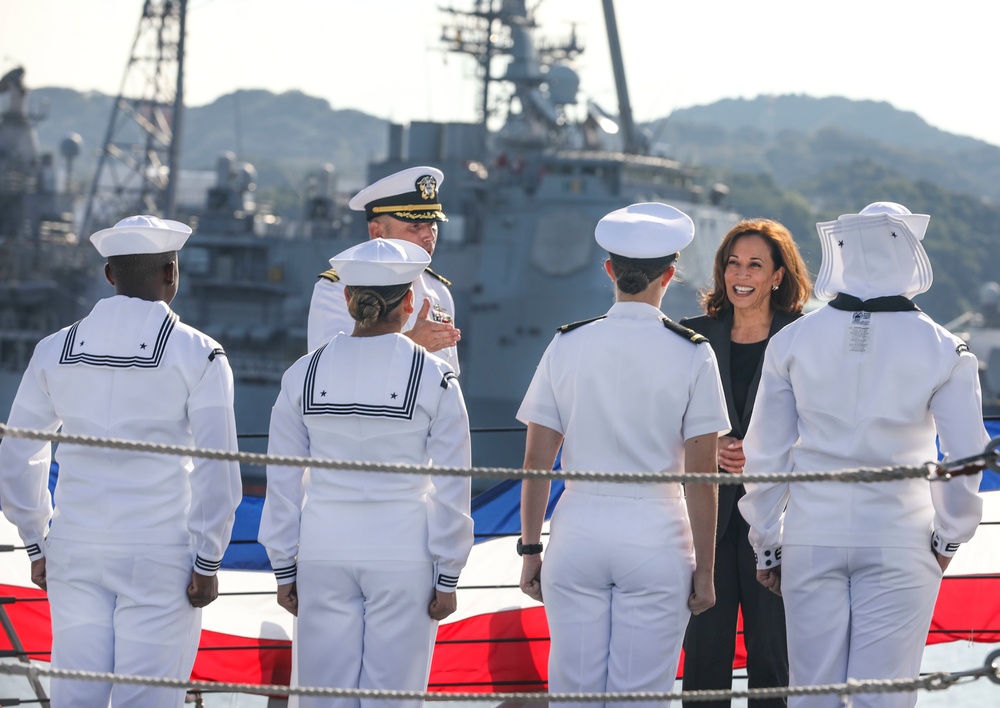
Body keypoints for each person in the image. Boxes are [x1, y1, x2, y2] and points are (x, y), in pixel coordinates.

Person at [738, 202, 989, 708]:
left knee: (812, 696)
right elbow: (966, 458)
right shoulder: (945, 349)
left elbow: (764, 454)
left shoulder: (792, 341)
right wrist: (948, 539)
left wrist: (766, 543)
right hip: (902, 537)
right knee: (885, 700)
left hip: (811, 536)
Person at [0, 215, 243, 707]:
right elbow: (218, 467)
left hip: (74, 549)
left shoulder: (53, 350)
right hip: (160, 555)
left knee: (76, 697)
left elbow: (18, 452)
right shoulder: (200, 355)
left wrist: (35, 542)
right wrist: (208, 558)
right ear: (171, 274)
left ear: (109, 275)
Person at [517, 202, 730, 706]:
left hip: (578, 529)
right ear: (670, 276)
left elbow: (534, 462)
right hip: (656, 533)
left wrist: (529, 550)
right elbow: (701, 475)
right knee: (641, 695)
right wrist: (706, 569)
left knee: (573, 692)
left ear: (610, 270)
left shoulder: (567, 345)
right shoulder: (693, 352)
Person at [259, 237, 474, 708]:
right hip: (404, 553)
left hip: (322, 550)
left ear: (348, 299)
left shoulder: (302, 374)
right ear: (412, 302)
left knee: (321, 697)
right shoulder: (436, 379)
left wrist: (282, 565)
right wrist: (449, 575)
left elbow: (283, 480)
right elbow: (452, 486)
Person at [680, 219, 811, 707]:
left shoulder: (804, 337)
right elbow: (663, 421)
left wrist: (769, 450)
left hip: (780, 519)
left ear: (778, 275)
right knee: (704, 658)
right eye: (733, 262)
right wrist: (707, 448)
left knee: (773, 657)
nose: (741, 273)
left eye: (755, 264)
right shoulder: (690, 338)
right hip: (706, 521)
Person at [306, 165, 461, 374]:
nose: (429, 235)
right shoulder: (337, 288)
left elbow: (449, 378)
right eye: (415, 226)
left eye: (432, 224)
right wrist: (413, 344)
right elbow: (327, 371)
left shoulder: (439, 291)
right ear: (377, 231)